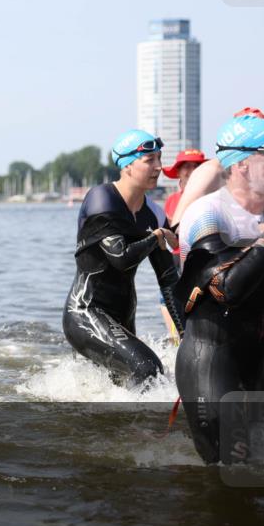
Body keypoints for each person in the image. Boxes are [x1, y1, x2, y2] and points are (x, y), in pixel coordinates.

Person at [174, 109, 264, 464]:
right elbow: (224, 288)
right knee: (229, 478)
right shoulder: (207, 214)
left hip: (256, 367)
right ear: (240, 164)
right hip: (210, 367)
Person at [62, 130, 183, 386]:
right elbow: (120, 257)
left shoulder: (154, 213)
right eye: (149, 160)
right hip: (86, 312)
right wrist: (156, 237)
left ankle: (125, 427)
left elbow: (168, 280)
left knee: (124, 387)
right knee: (148, 369)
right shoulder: (102, 198)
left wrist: (185, 334)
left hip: (123, 316)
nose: (159, 167)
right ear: (127, 165)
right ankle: (143, 428)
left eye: (159, 159)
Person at [163, 149, 207, 225]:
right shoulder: (171, 199)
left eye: (196, 166)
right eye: (187, 166)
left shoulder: (210, 197)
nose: (193, 170)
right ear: (178, 172)